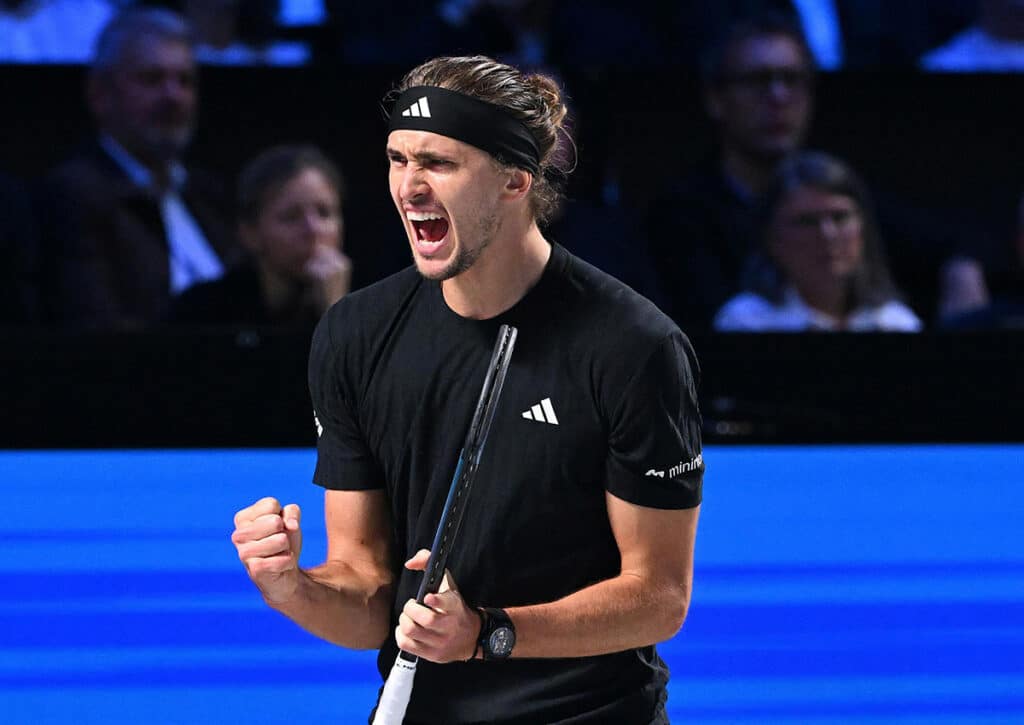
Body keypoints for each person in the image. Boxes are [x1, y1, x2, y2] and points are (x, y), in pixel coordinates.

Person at [231, 55, 703, 724]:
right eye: (398, 159)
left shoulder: (634, 345)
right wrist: (291, 587)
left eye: (439, 163)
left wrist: (487, 632)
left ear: (515, 179)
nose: (409, 187)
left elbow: (658, 597)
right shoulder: (355, 334)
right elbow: (370, 597)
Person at [42, 7, 238, 330]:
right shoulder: (75, 195)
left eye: (185, 81)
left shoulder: (210, 195)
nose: (173, 96)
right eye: (152, 79)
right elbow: (96, 331)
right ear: (100, 94)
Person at [646, 11, 815, 334]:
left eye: (792, 79)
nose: (778, 96)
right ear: (716, 99)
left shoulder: (843, 201)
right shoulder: (679, 215)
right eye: (758, 80)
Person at [714, 151, 921, 332]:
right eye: (807, 221)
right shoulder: (746, 322)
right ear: (772, 238)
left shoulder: (895, 322)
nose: (827, 234)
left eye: (840, 217)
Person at [169, 144, 350, 327]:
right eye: (291, 217)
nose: (313, 230)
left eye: (324, 213)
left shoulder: (364, 303)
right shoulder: (201, 311)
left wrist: (335, 310)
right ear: (250, 233)